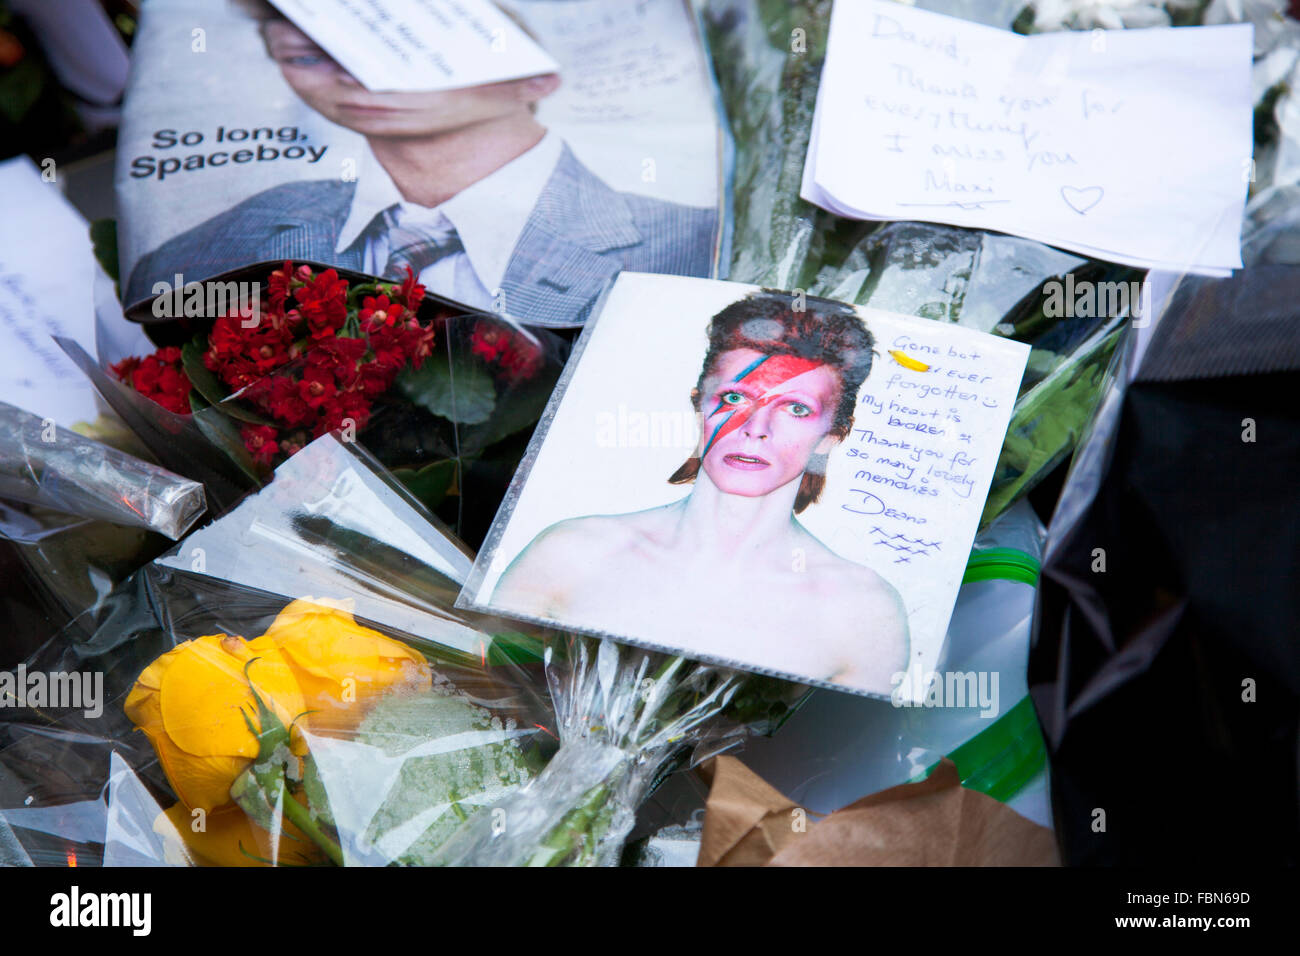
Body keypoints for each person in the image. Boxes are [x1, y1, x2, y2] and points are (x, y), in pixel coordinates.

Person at [123, 7, 718, 326]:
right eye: (305, 55)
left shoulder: (689, 248)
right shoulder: (205, 252)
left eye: (410, 49)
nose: (356, 77)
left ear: (538, 77)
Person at [491, 291, 910, 695]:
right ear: (699, 405)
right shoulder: (570, 552)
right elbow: (479, 681)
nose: (755, 427)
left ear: (831, 435)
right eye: (734, 398)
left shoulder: (863, 612)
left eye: (796, 408)